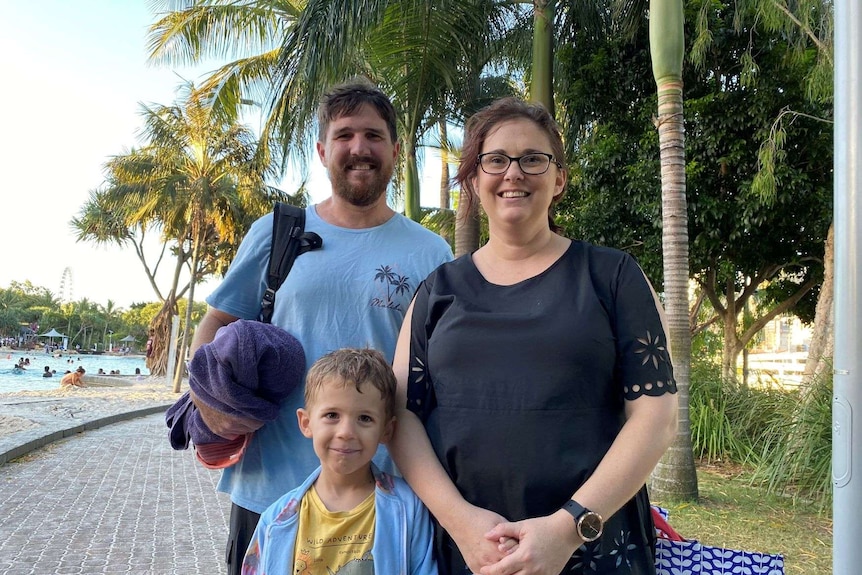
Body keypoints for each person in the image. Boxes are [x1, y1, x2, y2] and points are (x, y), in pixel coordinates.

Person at [389, 97, 679, 575]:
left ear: (559, 178)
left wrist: (567, 529)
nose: (514, 173)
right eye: (496, 159)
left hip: (595, 551)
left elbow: (656, 416)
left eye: (533, 159)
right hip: (470, 553)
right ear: (473, 179)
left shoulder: (613, 277)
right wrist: (462, 525)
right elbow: (403, 417)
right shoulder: (437, 290)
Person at [188, 77, 453, 575]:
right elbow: (218, 321)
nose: (360, 148)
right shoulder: (277, 233)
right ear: (322, 148)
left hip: (383, 500)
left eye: (374, 136)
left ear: (396, 150)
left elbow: (442, 373)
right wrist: (207, 400)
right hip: (270, 493)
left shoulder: (430, 253)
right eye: (345, 134)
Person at [241, 348, 437, 575]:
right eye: (332, 415)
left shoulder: (409, 508)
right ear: (306, 423)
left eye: (365, 418)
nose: (346, 432)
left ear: (386, 430)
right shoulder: (274, 520)